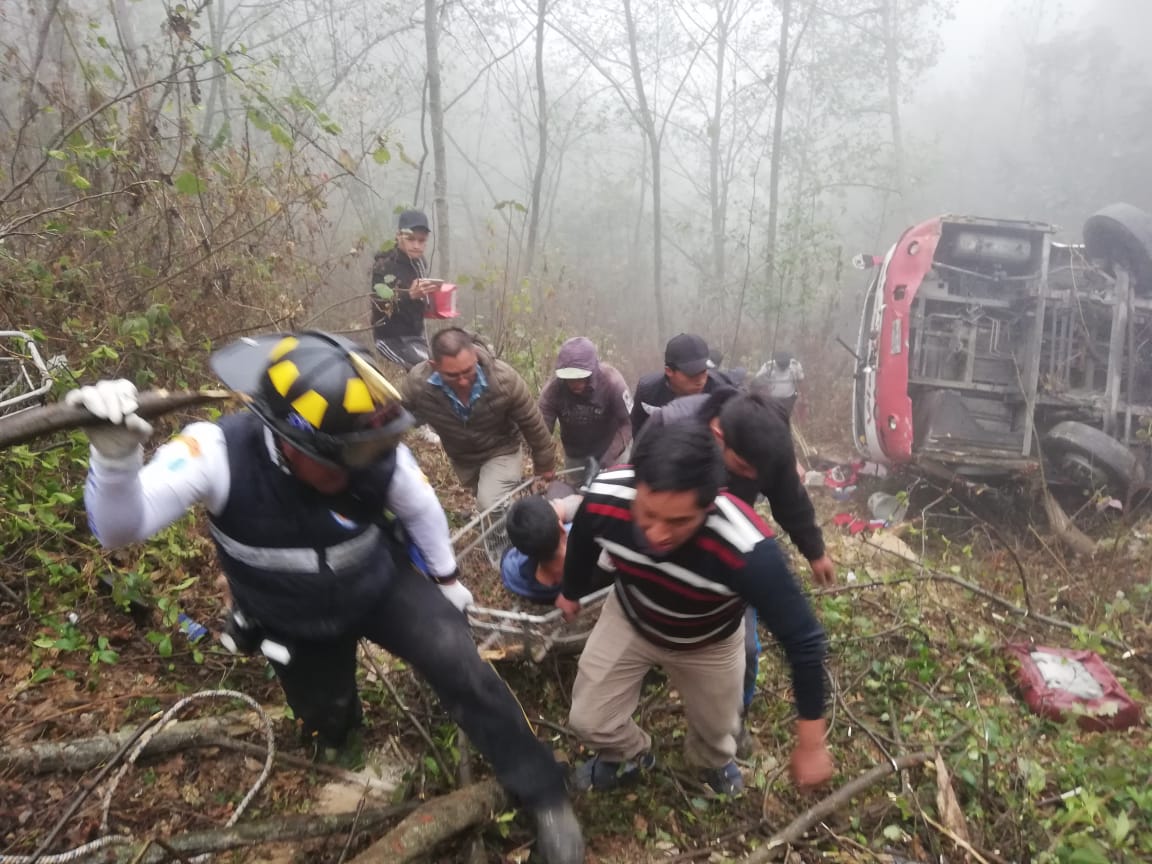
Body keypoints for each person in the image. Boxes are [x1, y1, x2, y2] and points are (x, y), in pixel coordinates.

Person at [66, 332, 584, 864]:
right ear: (290, 441)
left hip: (378, 585)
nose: (360, 466)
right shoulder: (216, 453)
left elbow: (422, 508)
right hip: (288, 612)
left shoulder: (369, 444)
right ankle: (338, 740)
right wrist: (114, 460)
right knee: (322, 706)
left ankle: (543, 793)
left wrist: (447, 583)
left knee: (460, 663)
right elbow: (118, 528)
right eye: (344, 457)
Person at [556, 423, 833, 795]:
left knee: (718, 734)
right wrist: (571, 591)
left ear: (710, 503)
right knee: (589, 720)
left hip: (709, 639)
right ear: (637, 485)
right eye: (649, 513)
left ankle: (711, 764)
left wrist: (812, 743)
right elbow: (584, 541)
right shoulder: (607, 495)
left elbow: (803, 639)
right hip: (631, 616)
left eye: (679, 521)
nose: (656, 534)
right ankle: (630, 754)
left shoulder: (746, 548)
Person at [403, 328, 556, 511]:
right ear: (434, 365)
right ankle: (514, 522)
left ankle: (508, 537)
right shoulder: (419, 384)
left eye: (468, 371)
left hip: (502, 450)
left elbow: (532, 423)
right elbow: (394, 413)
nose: (462, 381)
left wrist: (544, 465)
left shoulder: (503, 379)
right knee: (490, 505)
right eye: (452, 375)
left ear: (475, 356)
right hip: (462, 458)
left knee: (490, 503)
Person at [538, 336, 632, 472]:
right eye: (569, 378)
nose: (574, 383)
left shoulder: (612, 383)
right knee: (577, 493)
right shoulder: (553, 391)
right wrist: (544, 465)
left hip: (612, 451)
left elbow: (628, 424)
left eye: (580, 377)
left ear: (592, 371)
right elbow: (541, 432)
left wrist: (606, 461)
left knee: (613, 491)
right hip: (576, 456)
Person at [370, 209, 438, 370]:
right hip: (390, 338)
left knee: (441, 365)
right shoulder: (384, 263)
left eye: (421, 241)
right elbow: (378, 304)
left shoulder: (420, 262)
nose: (416, 245)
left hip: (416, 336)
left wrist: (434, 301)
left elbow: (421, 301)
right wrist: (409, 295)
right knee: (423, 370)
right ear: (398, 235)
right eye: (411, 239)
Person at [630, 333, 726, 437]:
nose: (701, 380)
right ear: (669, 371)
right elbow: (639, 431)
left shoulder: (720, 393)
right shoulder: (648, 391)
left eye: (704, 371)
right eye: (692, 374)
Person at [501, 482, 583, 603]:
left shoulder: (511, 573)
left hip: (541, 593)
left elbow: (506, 559)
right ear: (561, 529)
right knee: (557, 487)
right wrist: (559, 508)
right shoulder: (582, 538)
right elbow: (585, 505)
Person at [754, 350, 806, 418]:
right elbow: (757, 378)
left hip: (788, 398)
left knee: (785, 417)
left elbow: (801, 378)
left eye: (785, 365)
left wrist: (797, 379)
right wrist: (764, 379)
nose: (783, 367)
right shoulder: (769, 365)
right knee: (771, 416)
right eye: (781, 365)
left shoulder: (795, 365)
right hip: (772, 398)